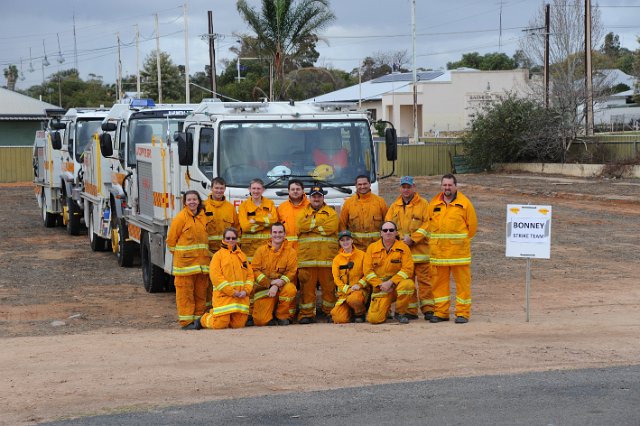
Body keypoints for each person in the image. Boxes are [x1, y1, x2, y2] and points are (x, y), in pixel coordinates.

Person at [427, 174, 477, 324]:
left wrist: (460, 243)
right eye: (444, 185)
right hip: (439, 254)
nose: (447, 188)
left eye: (450, 185)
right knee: (438, 285)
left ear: (456, 186)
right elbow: (428, 225)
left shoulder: (465, 203)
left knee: (463, 285)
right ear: (441, 186)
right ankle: (441, 312)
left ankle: (462, 313)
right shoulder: (434, 204)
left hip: (458, 255)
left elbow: (472, 227)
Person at [385, 176, 432, 320]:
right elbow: (388, 225)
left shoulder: (423, 204)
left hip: (421, 253)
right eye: (403, 187)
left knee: (425, 283)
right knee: (408, 283)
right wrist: (398, 239)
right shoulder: (394, 206)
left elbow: (428, 224)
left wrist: (413, 238)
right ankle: (411, 311)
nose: (406, 190)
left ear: (414, 188)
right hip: (404, 254)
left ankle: (429, 309)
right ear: (400, 188)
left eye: (408, 187)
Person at [166, 190, 211, 330]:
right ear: (185, 202)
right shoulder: (180, 218)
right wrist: (182, 256)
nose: (192, 202)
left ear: (199, 201)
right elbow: (171, 242)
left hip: (201, 266)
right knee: (185, 295)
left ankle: (198, 320)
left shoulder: (203, 217)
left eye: (195, 199)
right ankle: (186, 323)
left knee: (200, 294)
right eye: (189, 200)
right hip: (185, 267)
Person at [296, 185, 339, 324]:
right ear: (309, 198)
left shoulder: (331, 213)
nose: (316, 198)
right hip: (307, 259)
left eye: (319, 196)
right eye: (314, 196)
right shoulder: (302, 213)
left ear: (323, 197)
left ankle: (330, 313)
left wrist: (311, 226)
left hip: (327, 259)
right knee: (307, 289)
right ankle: (306, 314)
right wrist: (320, 226)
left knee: (329, 288)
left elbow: (331, 227)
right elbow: (300, 226)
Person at [196, 227, 254, 329]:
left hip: (240, 299)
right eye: (228, 238)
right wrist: (232, 292)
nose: (230, 240)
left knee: (238, 325)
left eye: (233, 238)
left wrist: (246, 291)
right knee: (220, 324)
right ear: (223, 239)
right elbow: (216, 278)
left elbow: (250, 276)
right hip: (224, 298)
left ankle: (224, 317)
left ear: (237, 239)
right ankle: (203, 319)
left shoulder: (242, 256)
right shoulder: (218, 256)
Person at [364, 221, 417, 324]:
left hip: (396, 286)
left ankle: (400, 313)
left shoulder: (404, 248)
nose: (388, 232)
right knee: (374, 319)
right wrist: (380, 284)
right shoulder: (372, 248)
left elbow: (408, 269)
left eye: (391, 230)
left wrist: (391, 282)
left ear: (396, 233)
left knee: (408, 285)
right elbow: (367, 271)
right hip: (381, 288)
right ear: (381, 233)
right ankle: (386, 310)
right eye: (385, 230)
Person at [251, 222, 297, 326]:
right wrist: (270, 284)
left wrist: (277, 284)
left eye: (280, 232)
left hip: (281, 288)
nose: (277, 235)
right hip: (265, 290)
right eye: (275, 232)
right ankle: (269, 314)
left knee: (290, 289)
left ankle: (281, 316)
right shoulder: (261, 251)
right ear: (271, 234)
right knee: (260, 321)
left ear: (285, 234)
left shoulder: (291, 252)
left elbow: (291, 271)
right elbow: (254, 270)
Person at [203, 176, 239, 311]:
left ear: (225, 189)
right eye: (216, 188)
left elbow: (236, 229)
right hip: (208, 253)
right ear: (211, 188)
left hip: (226, 253)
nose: (219, 191)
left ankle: (222, 308)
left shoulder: (230, 208)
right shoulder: (203, 206)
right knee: (207, 283)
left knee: (225, 281)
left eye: (221, 188)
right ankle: (208, 310)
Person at [339, 175, 388, 251]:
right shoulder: (348, 203)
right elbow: (342, 225)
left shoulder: (380, 202)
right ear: (356, 185)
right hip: (356, 249)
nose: (362, 186)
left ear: (369, 184)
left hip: (377, 248)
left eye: (365, 184)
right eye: (359, 184)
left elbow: (387, 223)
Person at [330, 230, 368, 324]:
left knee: (354, 299)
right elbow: (336, 279)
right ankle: (349, 312)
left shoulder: (362, 255)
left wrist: (359, 285)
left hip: (359, 291)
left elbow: (368, 274)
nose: (345, 242)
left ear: (352, 241)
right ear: (339, 242)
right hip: (345, 294)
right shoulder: (337, 260)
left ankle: (360, 313)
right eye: (342, 240)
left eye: (347, 239)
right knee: (339, 319)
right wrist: (347, 289)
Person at [238, 178, 278, 262]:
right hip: (249, 249)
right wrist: (266, 223)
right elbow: (245, 227)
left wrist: (255, 220)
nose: (256, 191)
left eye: (258, 188)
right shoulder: (243, 206)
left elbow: (274, 221)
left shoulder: (270, 204)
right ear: (249, 189)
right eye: (254, 188)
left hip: (267, 246)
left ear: (263, 190)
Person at [276, 179, 309, 250]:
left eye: (298, 189)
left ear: (303, 191)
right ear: (288, 191)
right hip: (286, 249)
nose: (295, 191)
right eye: (292, 189)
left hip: (306, 249)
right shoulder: (282, 207)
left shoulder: (310, 206)